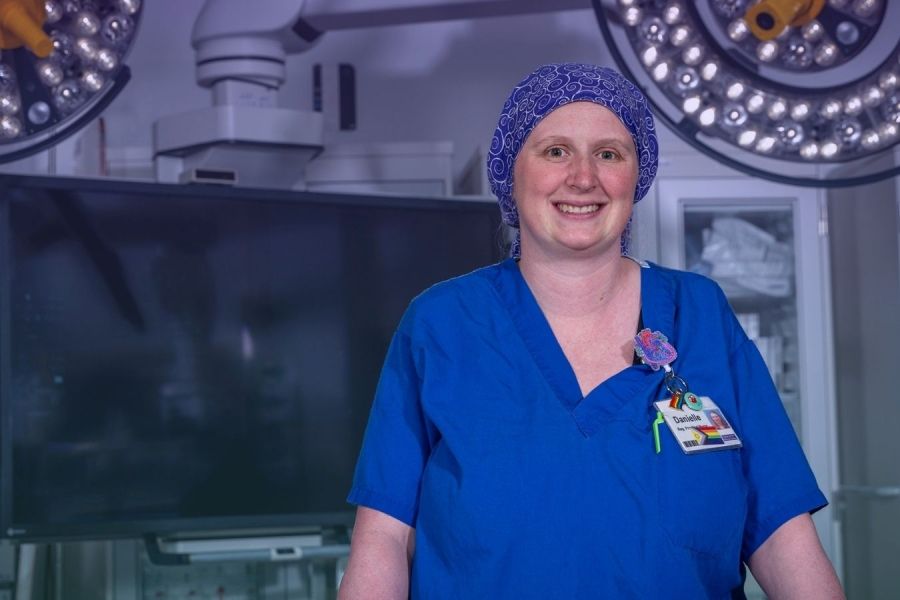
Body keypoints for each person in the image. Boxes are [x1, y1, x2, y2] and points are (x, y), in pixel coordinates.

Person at [338, 63, 843, 599]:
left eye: (609, 154)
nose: (583, 177)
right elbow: (384, 539)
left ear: (636, 176)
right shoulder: (440, 325)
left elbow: (781, 529)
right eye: (556, 151)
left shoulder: (701, 314)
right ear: (513, 172)